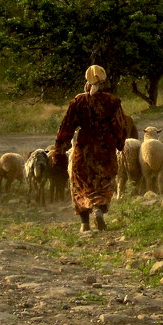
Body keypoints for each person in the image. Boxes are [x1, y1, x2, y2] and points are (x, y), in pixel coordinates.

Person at [53, 64, 129, 232]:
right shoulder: (112, 102)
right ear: (103, 81)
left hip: (84, 149)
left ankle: (84, 223)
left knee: (80, 184)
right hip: (104, 149)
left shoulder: (78, 101)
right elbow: (119, 125)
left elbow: (66, 126)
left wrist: (60, 147)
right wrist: (120, 143)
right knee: (103, 183)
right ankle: (99, 210)